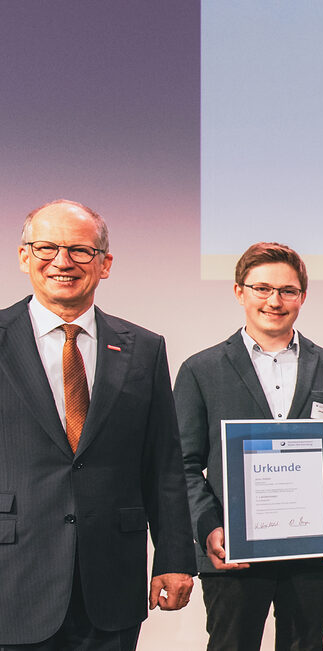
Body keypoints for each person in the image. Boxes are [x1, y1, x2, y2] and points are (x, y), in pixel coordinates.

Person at [0, 199, 196, 648]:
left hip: (112, 580)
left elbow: (163, 464)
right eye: (46, 247)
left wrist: (174, 556)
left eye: (80, 251)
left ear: (105, 264)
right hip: (13, 579)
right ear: (23, 257)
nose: (62, 262)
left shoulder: (144, 348)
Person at [176, 242, 323, 651]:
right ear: (239, 292)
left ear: (303, 295)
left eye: (287, 290)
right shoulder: (200, 369)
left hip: (313, 549)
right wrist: (208, 527)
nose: (275, 301)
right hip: (232, 549)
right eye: (262, 288)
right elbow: (185, 466)